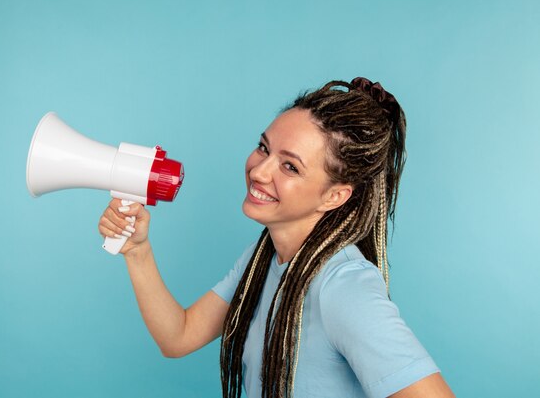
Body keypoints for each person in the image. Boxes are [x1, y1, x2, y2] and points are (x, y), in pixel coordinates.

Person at [97, 78, 456, 398]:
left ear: (334, 196)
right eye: (264, 148)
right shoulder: (265, 256)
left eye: (290, 166)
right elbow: (179, 336)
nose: (259, 170)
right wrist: (137, 251)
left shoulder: (343, 287)